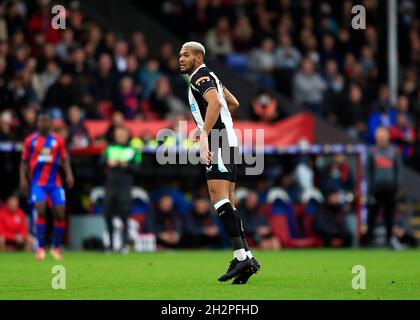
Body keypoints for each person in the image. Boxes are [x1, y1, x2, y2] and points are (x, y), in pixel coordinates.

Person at [179, 41, 259, 284]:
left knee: (218, 199)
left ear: (198, 56)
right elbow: (231, 103)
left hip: (219, 142)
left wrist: (204, 133)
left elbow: (215, 103)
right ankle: (247, 259)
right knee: (229, 203)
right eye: (179, 55)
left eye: (185, 54)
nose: (180, 58)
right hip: (229, 141)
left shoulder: (199, 77)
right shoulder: (212, 76)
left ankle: (241, 257)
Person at [19, 111, 74, 260]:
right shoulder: (30, 140)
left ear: (50, 124)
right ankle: (41, 247)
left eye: (45, 121)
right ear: (38, 124)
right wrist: (23, 179)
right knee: (41, 209)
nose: (43, 124)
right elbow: (24, 161)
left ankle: (56, 247)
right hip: (38, 182)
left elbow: (64, 158)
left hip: (55, 183)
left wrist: (69, 174)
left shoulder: (58, 140)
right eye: (40, 121)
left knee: (60, 213)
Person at [102, 125, 141, 253]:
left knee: (125, 215)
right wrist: (107, 161)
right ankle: (111, 244)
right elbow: (100, 162)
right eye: (118, 134)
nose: (120, 136)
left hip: (125, 186)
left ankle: (124, 244)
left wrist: (126, 165)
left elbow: (138, 167)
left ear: (127, 135)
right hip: (110, 185)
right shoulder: (109, 148)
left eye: (122, 134)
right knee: (108, 214)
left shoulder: (134, 150)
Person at [364, 127, 402, 248]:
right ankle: (369, 241)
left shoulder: (394, 150)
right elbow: (367, 170)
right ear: (376, 138)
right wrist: (370, 187)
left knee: (389, 216)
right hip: (375, 190)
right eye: (379, 136)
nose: (381, 138)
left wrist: (397, 185)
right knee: (372, 216)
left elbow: (399, 169)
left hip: (390, 190)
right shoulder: (372, 151)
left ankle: (389, 240)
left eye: (383, 135)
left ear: (387, 136)